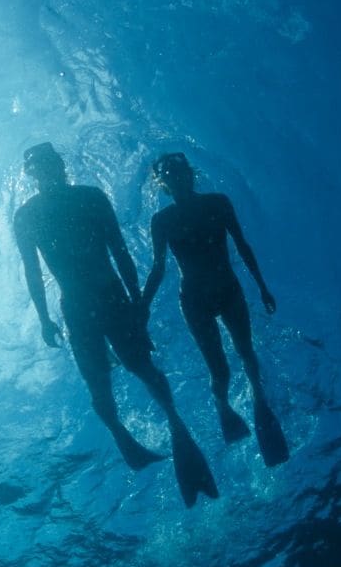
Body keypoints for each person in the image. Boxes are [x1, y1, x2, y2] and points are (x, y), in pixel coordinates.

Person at [14, 142, 218, 508]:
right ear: (34, 174)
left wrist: (137, 301)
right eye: (41, 166)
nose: (49, 170)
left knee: (142, 367)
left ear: (61, 165)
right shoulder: (28, 216)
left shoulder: (89, 198)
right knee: (99, 383)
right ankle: (125, 437)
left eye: (52, 163)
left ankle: (176, 428)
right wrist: (44, 319)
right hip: (79, 307)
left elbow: (120, 249)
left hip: (111, 299)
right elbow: (32, 270)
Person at [143, 152, 289, 467]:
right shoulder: (162, 221)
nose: (177, 178)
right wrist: (141, 308)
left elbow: (242, 244)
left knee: (246, 352)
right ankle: (223, 407)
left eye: (180, 172)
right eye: (170, 175)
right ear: (163, 183)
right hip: (194, 300)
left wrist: (262, 286)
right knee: (219, 369)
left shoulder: (218, 203)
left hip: (229, 291)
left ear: (189, 174)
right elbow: (158, 268)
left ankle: (259, 400)